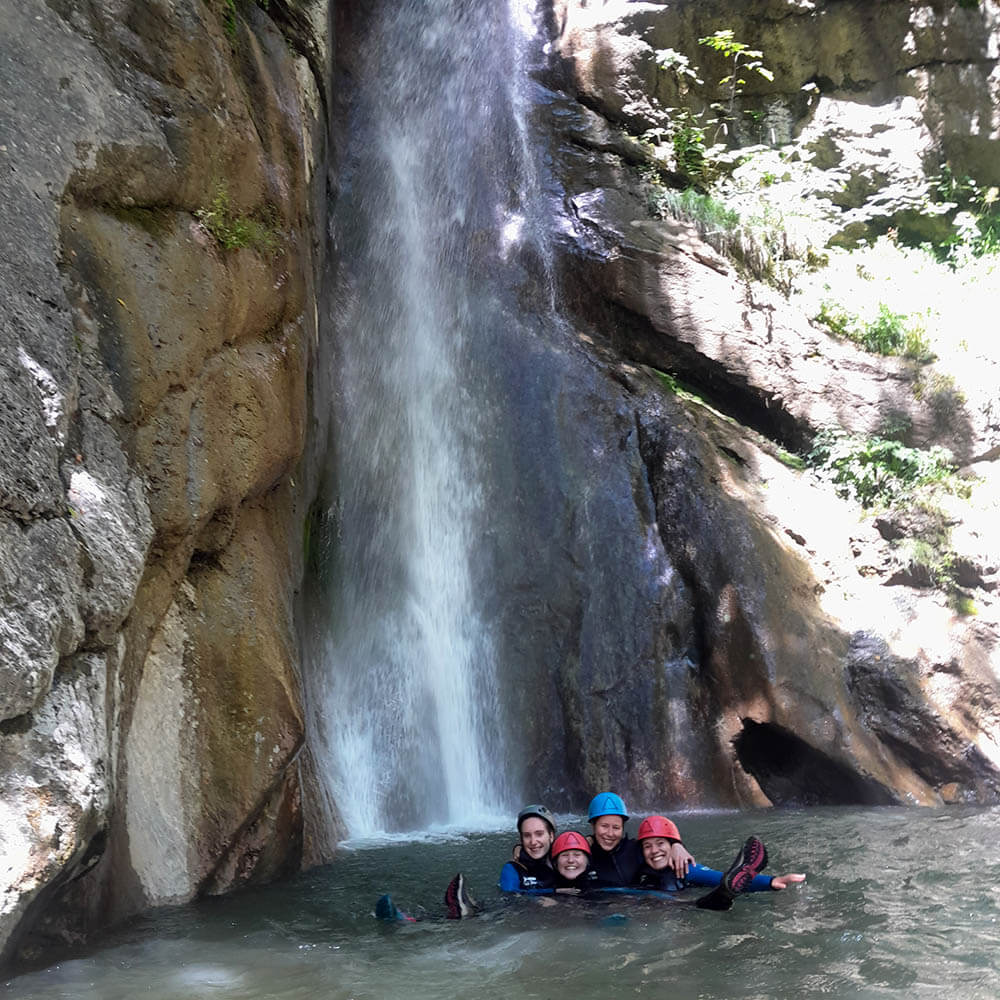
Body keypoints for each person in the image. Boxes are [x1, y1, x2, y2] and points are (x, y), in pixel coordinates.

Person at [633, 815, 806, 911]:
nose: (654, 850)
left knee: (695, 901)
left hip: (688, 909)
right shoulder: (641, 871)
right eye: (647, 846)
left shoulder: (686, 868)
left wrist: (771, 882)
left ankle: (720, 897)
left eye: (660, 843)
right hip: (657, 908)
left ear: (673, 846)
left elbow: (719, 878)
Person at [585, 792, 693, 887]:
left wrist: (677, 844)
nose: (610, 833)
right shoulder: (583, 853)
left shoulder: (635, 849)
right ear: (593, 825)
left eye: (616, 827)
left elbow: (659, 848)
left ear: (622, 828)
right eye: (604, 826)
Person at [498, 803, 558, 893]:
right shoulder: (513, 869)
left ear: (551, 836)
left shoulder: (564, 862)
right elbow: (509, 896)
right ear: (521, 839)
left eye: (539, 834)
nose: (533, 842)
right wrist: (553, 891)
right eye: (527, 835)